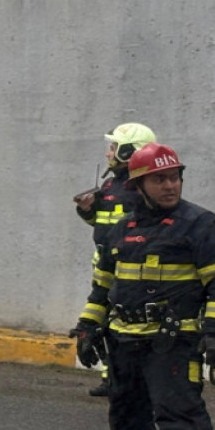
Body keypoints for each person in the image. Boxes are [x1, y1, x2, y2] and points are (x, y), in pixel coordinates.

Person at [70, 143, 215, 430]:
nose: (170, 186)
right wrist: (87, 326)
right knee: (126, 413)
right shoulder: (119, 229)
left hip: (174, 341)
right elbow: (103, 286)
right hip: (124, 339)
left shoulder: (202, 225)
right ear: (137, 185)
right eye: (160, 179)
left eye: (175, 177)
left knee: (179, 415)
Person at [73, 122, 158, 396]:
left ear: (128, 151)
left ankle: (130, 381)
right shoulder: (110, 183)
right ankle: (111, 378)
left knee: (121, 321)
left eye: (114, 147)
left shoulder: (142, 188)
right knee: (105, 322)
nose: (109, 153)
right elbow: (102, 224)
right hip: (104, 264)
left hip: (130, 267)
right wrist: (87, 211)